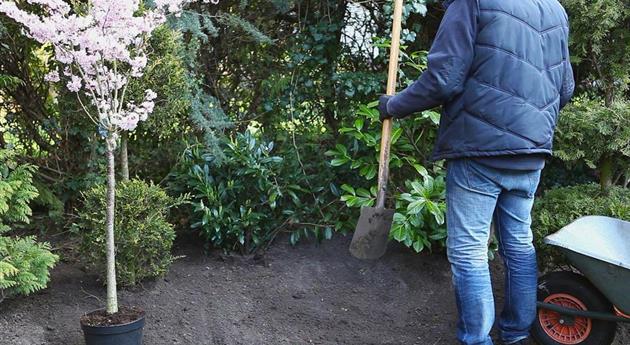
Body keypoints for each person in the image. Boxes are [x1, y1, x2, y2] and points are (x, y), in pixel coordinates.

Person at [378, 0, 575, 344]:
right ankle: (515, 335)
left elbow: (444, 78)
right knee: (518, 246)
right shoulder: (554, 9)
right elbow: (566, 88)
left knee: (468, 252)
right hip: (532, 151)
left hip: (480, 151)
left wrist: (393, 105)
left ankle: (477, 339)